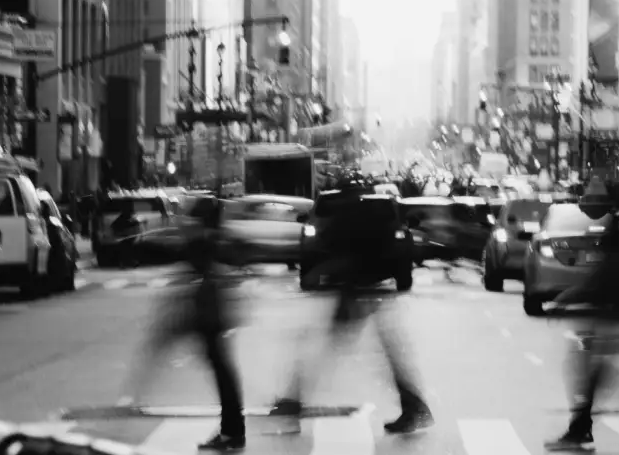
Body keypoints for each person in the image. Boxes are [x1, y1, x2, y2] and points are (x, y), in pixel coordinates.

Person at [273, 180, 433, 435]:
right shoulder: (368, 213)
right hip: (366, 288)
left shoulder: (347, 215)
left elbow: (340, 253)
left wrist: (322, 271)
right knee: (377, 350)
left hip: (356, 290)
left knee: (322, 346)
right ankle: (413, 406)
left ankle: (294, 400)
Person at [121, 196, 246, 452]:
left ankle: (232, 431)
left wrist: (140, 242)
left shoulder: (206, 244)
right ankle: (232, 430)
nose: (190, 223)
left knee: (223, 372)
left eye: (195, 218)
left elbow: (174, 252)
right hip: (211, 316)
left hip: (210, 317)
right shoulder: (214, 242)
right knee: (222, 371)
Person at [542, 186, 619, 452]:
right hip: (608, 314)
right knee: (585, 370)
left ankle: (580, 427)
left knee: (583, 370)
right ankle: (580, 426)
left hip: (606, 315)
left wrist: (565, 299)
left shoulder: (616, 235)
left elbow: (600, 279)